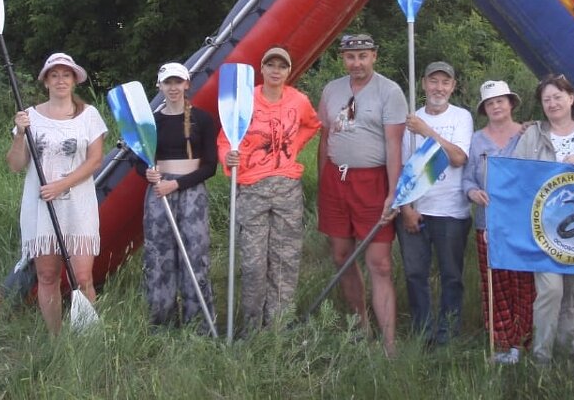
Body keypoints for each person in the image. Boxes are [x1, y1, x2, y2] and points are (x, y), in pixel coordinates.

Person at [316, 33, 408, 355]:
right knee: (342, 256)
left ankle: (389, 343)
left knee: (379, 263)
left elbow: (395, 144)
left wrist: (393, 193)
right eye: (350, 57)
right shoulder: (331, 89)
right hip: (336, 180)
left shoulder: (389, 91)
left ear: (374, 56)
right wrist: (321, 184)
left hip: (372, 182)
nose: (357, 63)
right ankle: (361, 326)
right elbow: (325, 139)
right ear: (343, 58)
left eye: (363, 56)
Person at [219, 46, 322, 331]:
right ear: (261, 69)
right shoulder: (244, 100)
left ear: (289, 71)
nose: (276, 71)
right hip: (252, 187)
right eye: (271, 65)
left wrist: (291, 150)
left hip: (287, 187)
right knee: (253, 263)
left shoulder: (298, 100)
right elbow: (226, 139)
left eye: (282, 66)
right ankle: (252, 328)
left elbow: (312, 125)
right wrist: (229, 158)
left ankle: (278, 326)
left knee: (284, 260)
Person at [8, 52, 106, 335]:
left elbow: (94, 160)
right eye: (54, 75)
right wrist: (19, 134)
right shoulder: (30, 117)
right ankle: (56, 339)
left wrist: (62, 185)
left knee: (82, 277)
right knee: (47, 275)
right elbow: (15, 165)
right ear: (46, 81)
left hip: (77, 205)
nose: (60, 80)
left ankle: (87, 339)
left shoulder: (89, 115)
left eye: (66, 74)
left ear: (74, 80)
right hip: (41, 208)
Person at [513, 73, 574, 364]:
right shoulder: (532, 135)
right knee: (551, 291)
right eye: (546, 99)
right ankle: (542, 358)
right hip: (544, 227)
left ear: (571, 98)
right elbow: (516, 175)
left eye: (557, 97)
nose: (552, 103)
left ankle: (568, 356)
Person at [137, 61, 218, 330]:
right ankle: (161, 321)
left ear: (186, 84)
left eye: (177, 82)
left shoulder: (202, 119)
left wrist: (177, 185)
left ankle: (199, 324)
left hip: (191, 192)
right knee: (159, 256)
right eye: (167, 83)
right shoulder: (150, 123)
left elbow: (210, 166)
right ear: (159, 86)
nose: (173, 88)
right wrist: (147, 174)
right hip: (159, 193)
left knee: (195, 254)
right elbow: (139, 162)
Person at [395, 61, 472, 345]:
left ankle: (447, 335)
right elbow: (405, 167)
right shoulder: (411, 119)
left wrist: (427, 131)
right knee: (415, 275)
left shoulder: (461, 118)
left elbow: (458, 158)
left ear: (453, 87)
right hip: (417, 210)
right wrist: (405, 209)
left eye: (445, 82)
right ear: (424, 84)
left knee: (452, 275)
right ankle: (422, 333)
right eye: (433, 81)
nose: (438, 87)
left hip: (451, 212)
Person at [461, 79, 535, 365]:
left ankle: (523, 343)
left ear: (511, 103)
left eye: (500, 101)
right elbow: (467, 177)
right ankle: (501, 343)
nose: (496, 106)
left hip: (522, 223)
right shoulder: (477, 140)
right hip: (487, 223)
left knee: (523, 283)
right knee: (495, 284)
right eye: (490, 103)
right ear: (484, 108)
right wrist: (471, 192)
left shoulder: (528, 133)